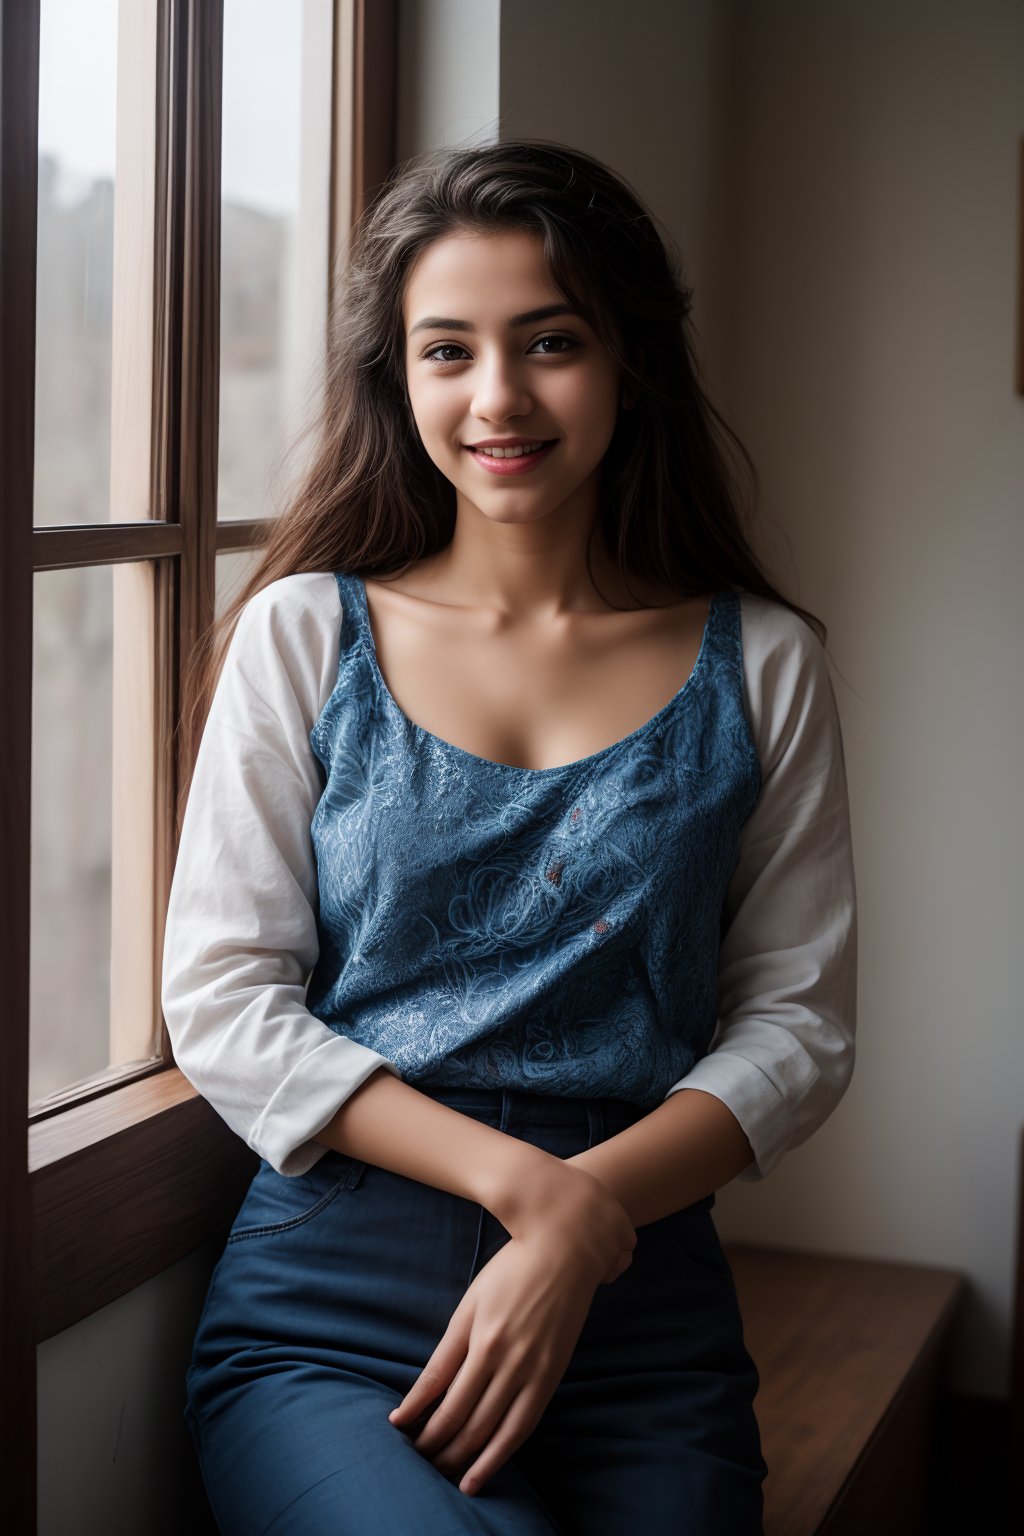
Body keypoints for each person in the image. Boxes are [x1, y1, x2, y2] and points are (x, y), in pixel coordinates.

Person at [161, 138, 857, 1536]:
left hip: (642, 1306)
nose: (498, 398)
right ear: (397, 377)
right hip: (336, 1308)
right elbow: (225, 1000)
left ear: (632, 361)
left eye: (550, 343)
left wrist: (586, 1217)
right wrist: (534, 1196)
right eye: (445, 351)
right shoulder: (307, 635)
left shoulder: (764, 660)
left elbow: (799, 1026)